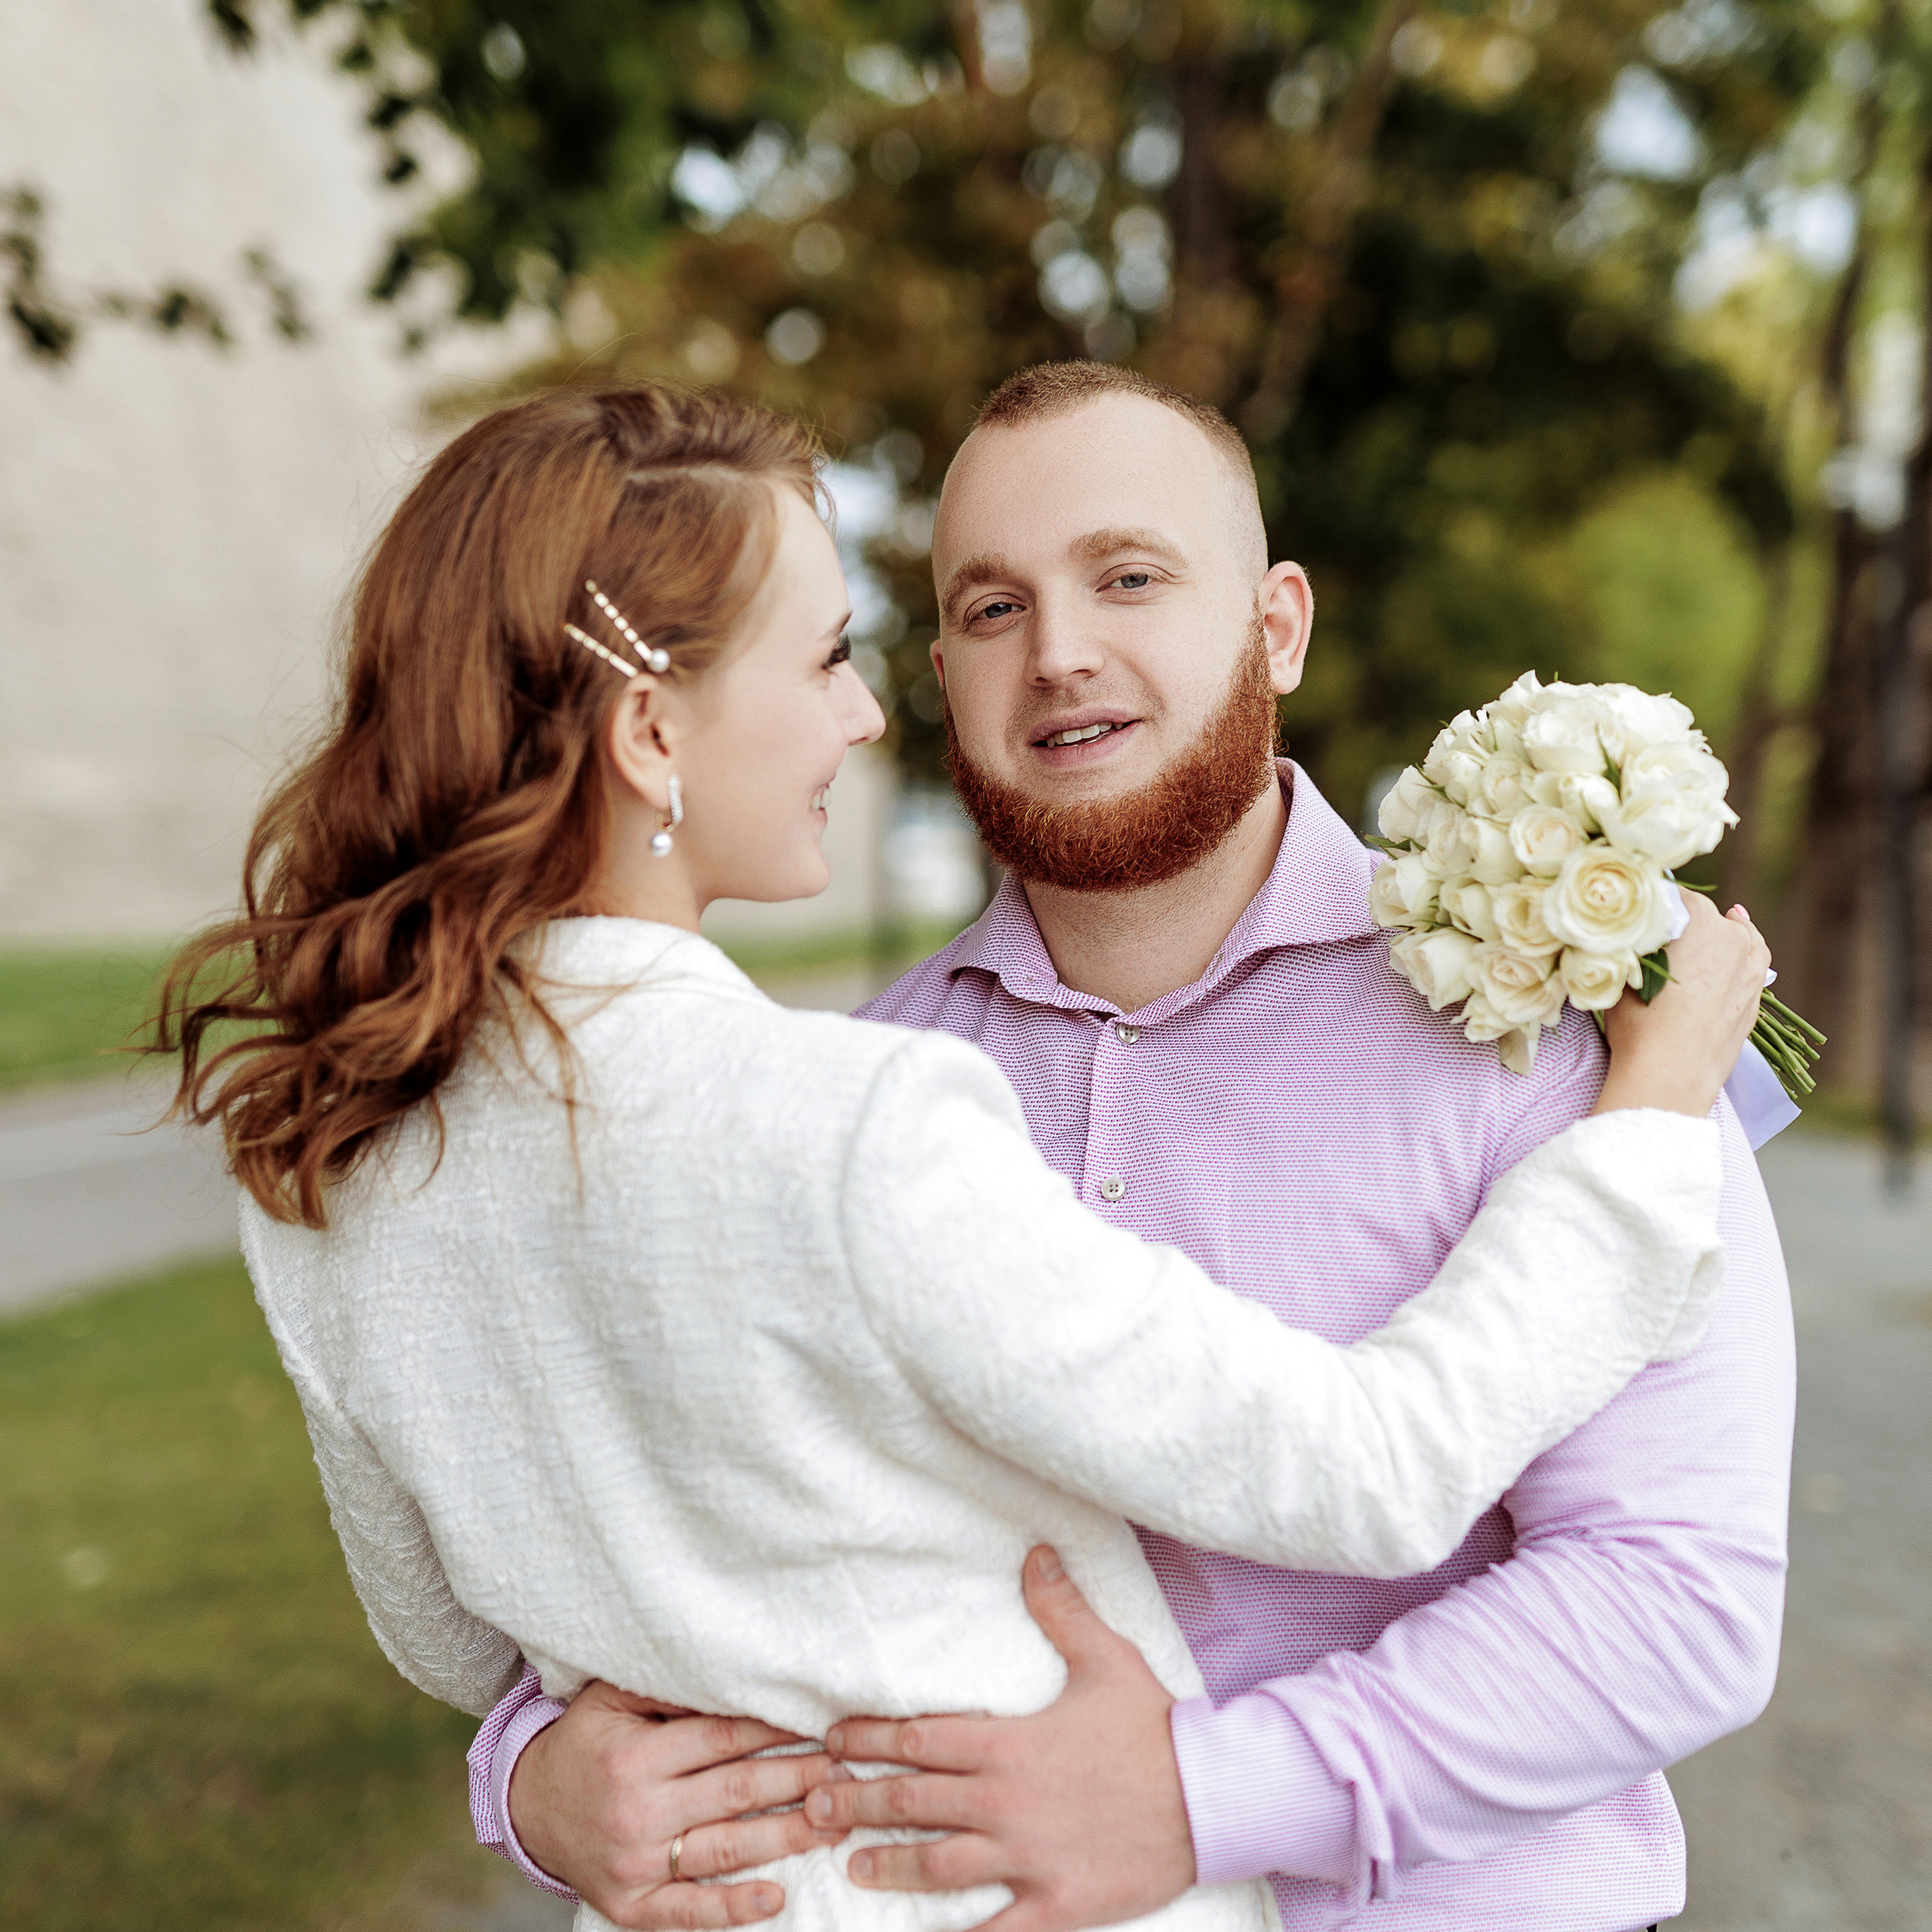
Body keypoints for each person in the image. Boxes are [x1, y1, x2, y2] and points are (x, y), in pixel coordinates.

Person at [165, 383, 1767, 1932]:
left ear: (1274, 622)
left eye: (1128, 576)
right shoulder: (870, 1081)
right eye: (988, 608)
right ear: (939, 663)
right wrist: (532, 1775)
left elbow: (1677, 1601)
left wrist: (1203, 1795)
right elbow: (656, 1569)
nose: (1060, 649)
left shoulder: (1571, 1025)